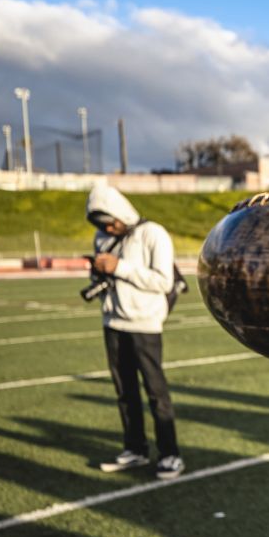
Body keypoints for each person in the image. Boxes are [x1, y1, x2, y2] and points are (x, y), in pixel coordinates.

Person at [85, 185, 185, 479]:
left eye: (110, 221)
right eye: (102, 223)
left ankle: (170, 454)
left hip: (145, 324)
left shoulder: (153, 233)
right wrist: (99, 270)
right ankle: (135, 449)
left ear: (120, 212)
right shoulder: (102, 237)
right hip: (112, 322)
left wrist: (119, 267)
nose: (108, 227)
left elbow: (164, 281)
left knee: (156, 392)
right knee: (124, 392)